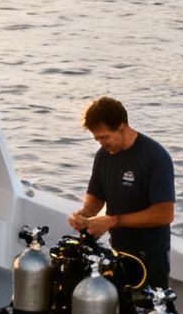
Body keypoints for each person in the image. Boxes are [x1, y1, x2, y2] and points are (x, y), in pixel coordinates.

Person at [67, 97, 175, 291]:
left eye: (105, 137)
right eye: (97, 139)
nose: (101, 143)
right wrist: (82, 216)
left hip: (149, 258)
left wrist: (113, 221)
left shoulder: (155, 157)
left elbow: (164, 214)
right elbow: (94, 202)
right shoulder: (103, 156)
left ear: (121, 126)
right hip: (118, 253)